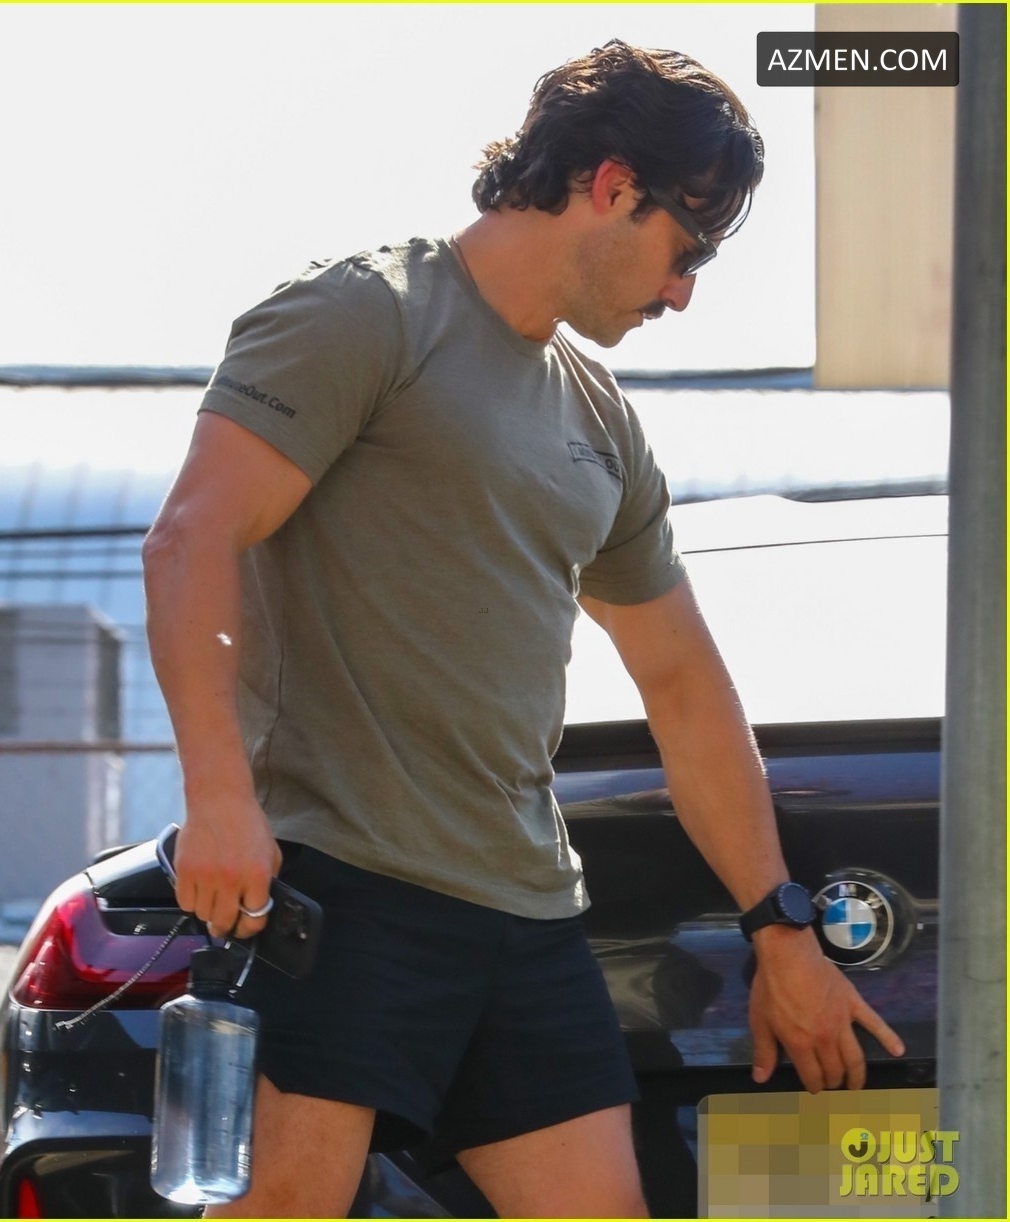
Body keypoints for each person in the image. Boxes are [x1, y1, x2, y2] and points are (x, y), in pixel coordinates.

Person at [143, 39, 905, 1219]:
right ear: (612, 185)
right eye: (687, 250)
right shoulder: (369, 314)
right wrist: (218, 797)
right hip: (346, 887)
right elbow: (191, 539)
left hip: (526, 909)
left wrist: (779, 926)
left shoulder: (601, 422)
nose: (683, 292)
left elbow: (683, 684)